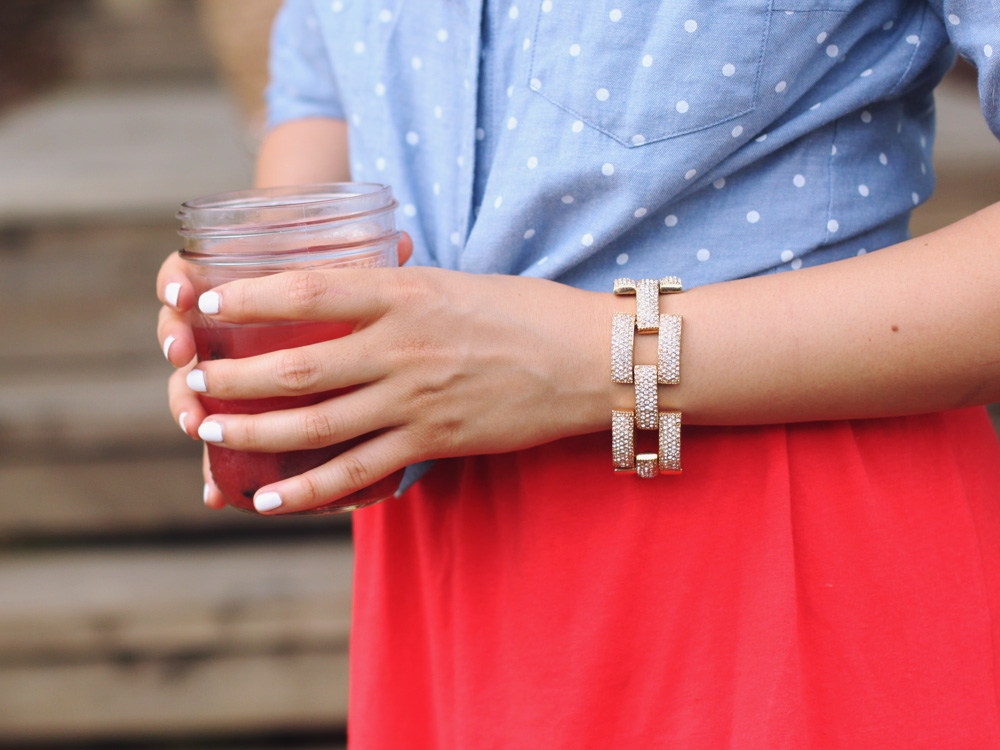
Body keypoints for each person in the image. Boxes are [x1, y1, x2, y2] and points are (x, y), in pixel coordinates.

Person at [157, 0, 1000, 746]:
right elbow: (320, 99)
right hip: (449, 576)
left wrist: (596, 358)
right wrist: (275, 323)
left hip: (787, 559)